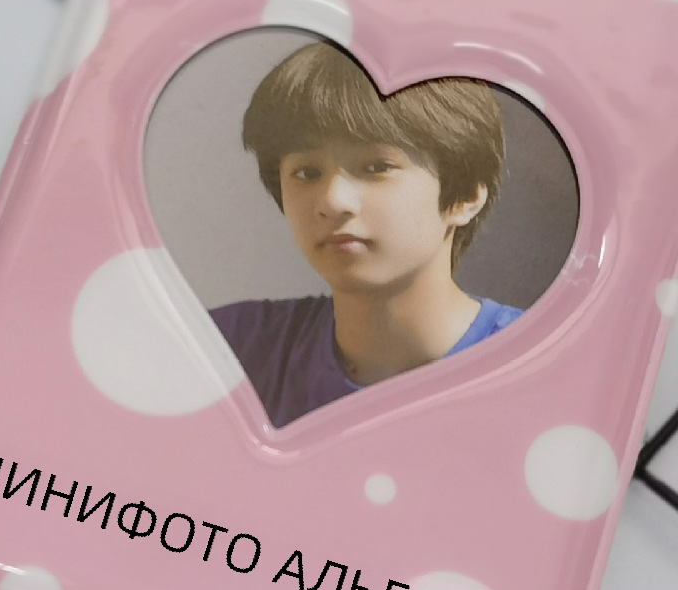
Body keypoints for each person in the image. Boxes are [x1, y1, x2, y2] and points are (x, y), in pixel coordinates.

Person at [212, 43, 521, 429]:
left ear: (466, 196)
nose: (333, 201)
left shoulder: (539, 360)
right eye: (307, 173)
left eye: (377, 167)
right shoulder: (230, 348)